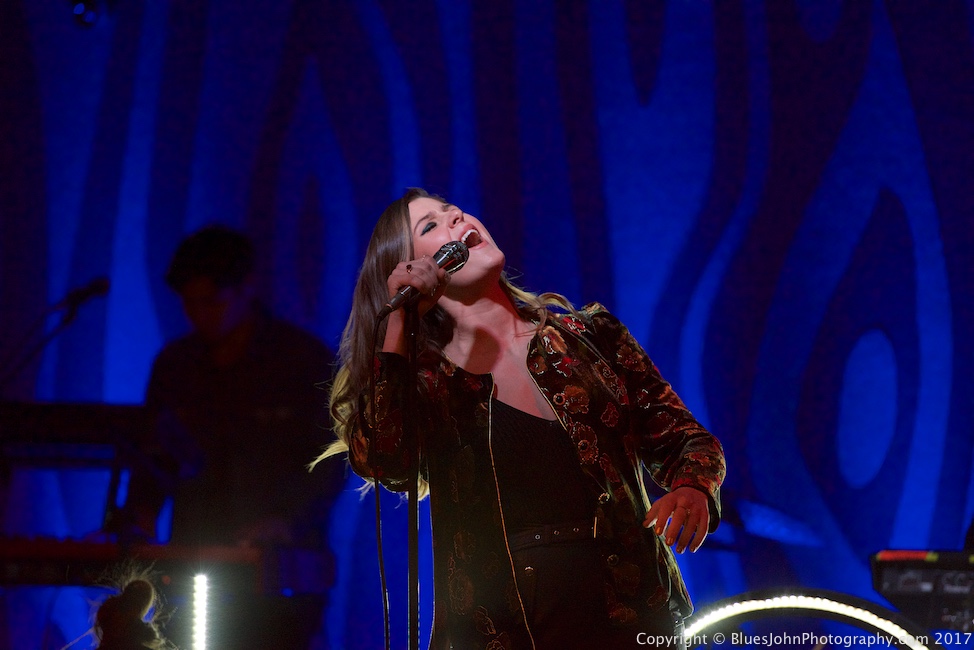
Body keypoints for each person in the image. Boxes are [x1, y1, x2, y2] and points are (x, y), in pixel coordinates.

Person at [315, 188, 726, 649]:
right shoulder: (426, 383)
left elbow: (685, 438)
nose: (456, 220)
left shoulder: (592, 336)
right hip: (504, 629)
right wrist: (400, 324)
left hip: (630, 611)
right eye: (430, 226)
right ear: (409, 270)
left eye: (455, 212)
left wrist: (692, 487)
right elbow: (383, 460)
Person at [120, 225, 343, 649]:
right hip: (194, 564)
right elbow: (152, 458)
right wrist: (139, 517)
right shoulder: (176, 365)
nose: (199, 314)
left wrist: (285, 521)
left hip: (281, 579)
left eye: (211, 302)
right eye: (189, 304)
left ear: (246, 289)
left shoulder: (301, 361)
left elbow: (328, 463)